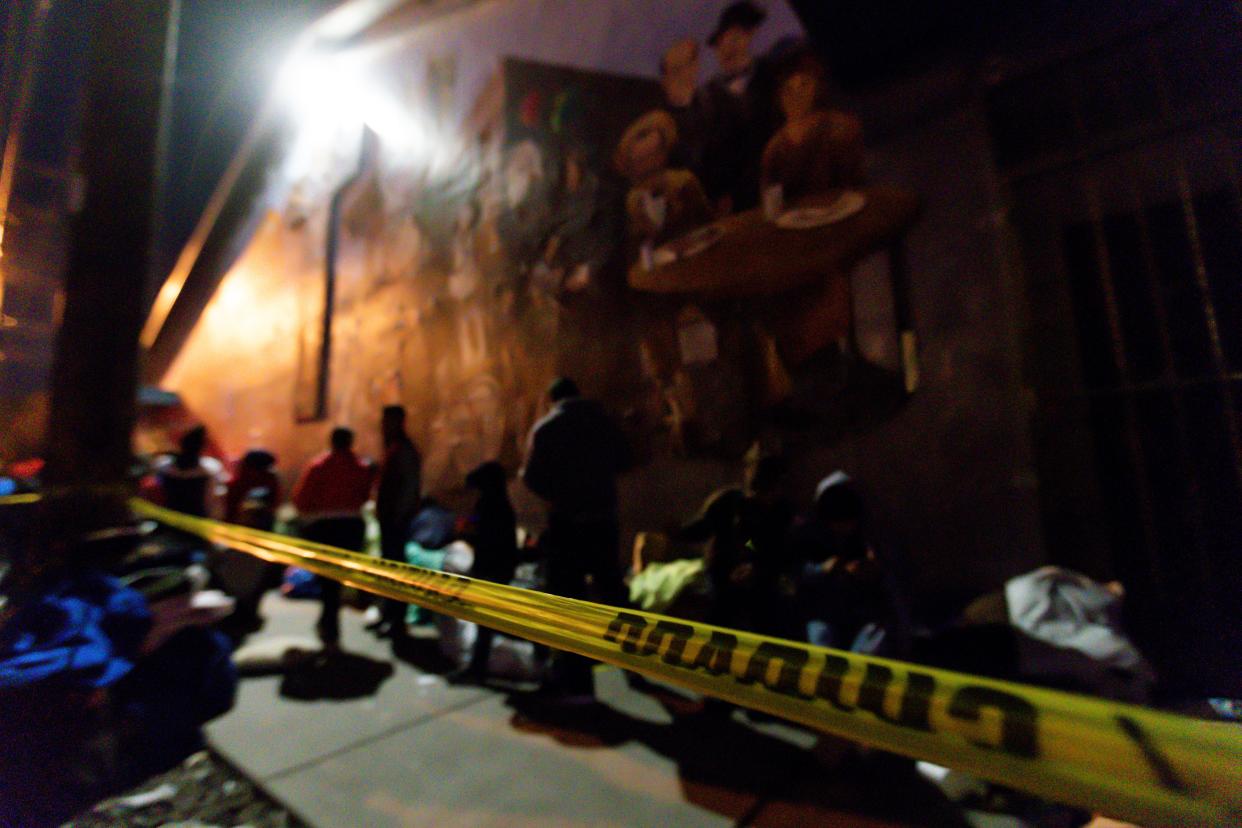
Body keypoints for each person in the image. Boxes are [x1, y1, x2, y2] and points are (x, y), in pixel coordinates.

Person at [522, 377, 630, 697]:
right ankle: (635, 660)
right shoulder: (604, 422)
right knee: (611, 588)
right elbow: (625, 460)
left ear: (552, 398)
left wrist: (559, 494)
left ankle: (579, 685)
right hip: (603, 520)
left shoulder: (546, 428)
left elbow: (532, 478)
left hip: (568, 525)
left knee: (570, 600)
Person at [677, 443, 795, 637]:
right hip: (723, 574)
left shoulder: (781, 512)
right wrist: (676, 532)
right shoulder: (728, 502)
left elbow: (780, 551)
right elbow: (702, 529)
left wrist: (756, 568)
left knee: (770, 617)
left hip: (761, 578)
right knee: (720, 618)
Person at [789, 471, 897, 652]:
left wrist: (868, 570)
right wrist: (822, 569)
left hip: (856, 613)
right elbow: (795, 574)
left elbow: (880, 574)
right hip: (822, 614)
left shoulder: (863, 535)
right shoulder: (808, 536)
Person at [291, 427, 376, 648]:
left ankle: (329, 624)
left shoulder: (318, 466)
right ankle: (330, 622)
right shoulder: (361, 467)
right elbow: (366, 494)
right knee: (337, 579)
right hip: (351, 527)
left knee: (328, 579)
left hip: (324, 528)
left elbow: (301, 499)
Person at [697, 0, 781, 214]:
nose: (727, 48)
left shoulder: (771, 75)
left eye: (734, 38)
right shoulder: (708, 96)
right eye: (720, 42)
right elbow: (710, 152)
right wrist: (719, 193)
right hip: (738, 198)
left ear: (749, 35)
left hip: (780, 179)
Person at [760, 50, 864, 204]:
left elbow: (855, 185)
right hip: (797, 221)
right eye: (789, 89)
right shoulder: (775, 148)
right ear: (780, 97)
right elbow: (772, 202)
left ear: (816, 88)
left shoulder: (840, 127)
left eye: (804, 85)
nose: (797, 95)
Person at [446, 461, 517, 684]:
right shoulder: (500, 502)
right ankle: (478, 667)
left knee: (486, 622)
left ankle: (477, 669)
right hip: (500, 567)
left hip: (492, 569)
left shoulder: (490, 504)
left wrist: (479, 571)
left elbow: (488, 541)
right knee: (490, 621)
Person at [373, 405, 423, 638]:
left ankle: (396, 621)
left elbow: (409, 486)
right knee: (388, 567)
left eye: (387, 420)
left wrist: (399, 515)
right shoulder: (393, 448)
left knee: (395, 569)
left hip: (395, 519)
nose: (383, 425)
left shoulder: (403, 449)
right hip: (390, 517)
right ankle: (388, 616)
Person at [152, 425, 223, 518]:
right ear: (202, 447)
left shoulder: (163, 465)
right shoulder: (210, 469)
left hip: (169, 517)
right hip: (197, 520)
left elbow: (158, 486)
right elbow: (209, 500)